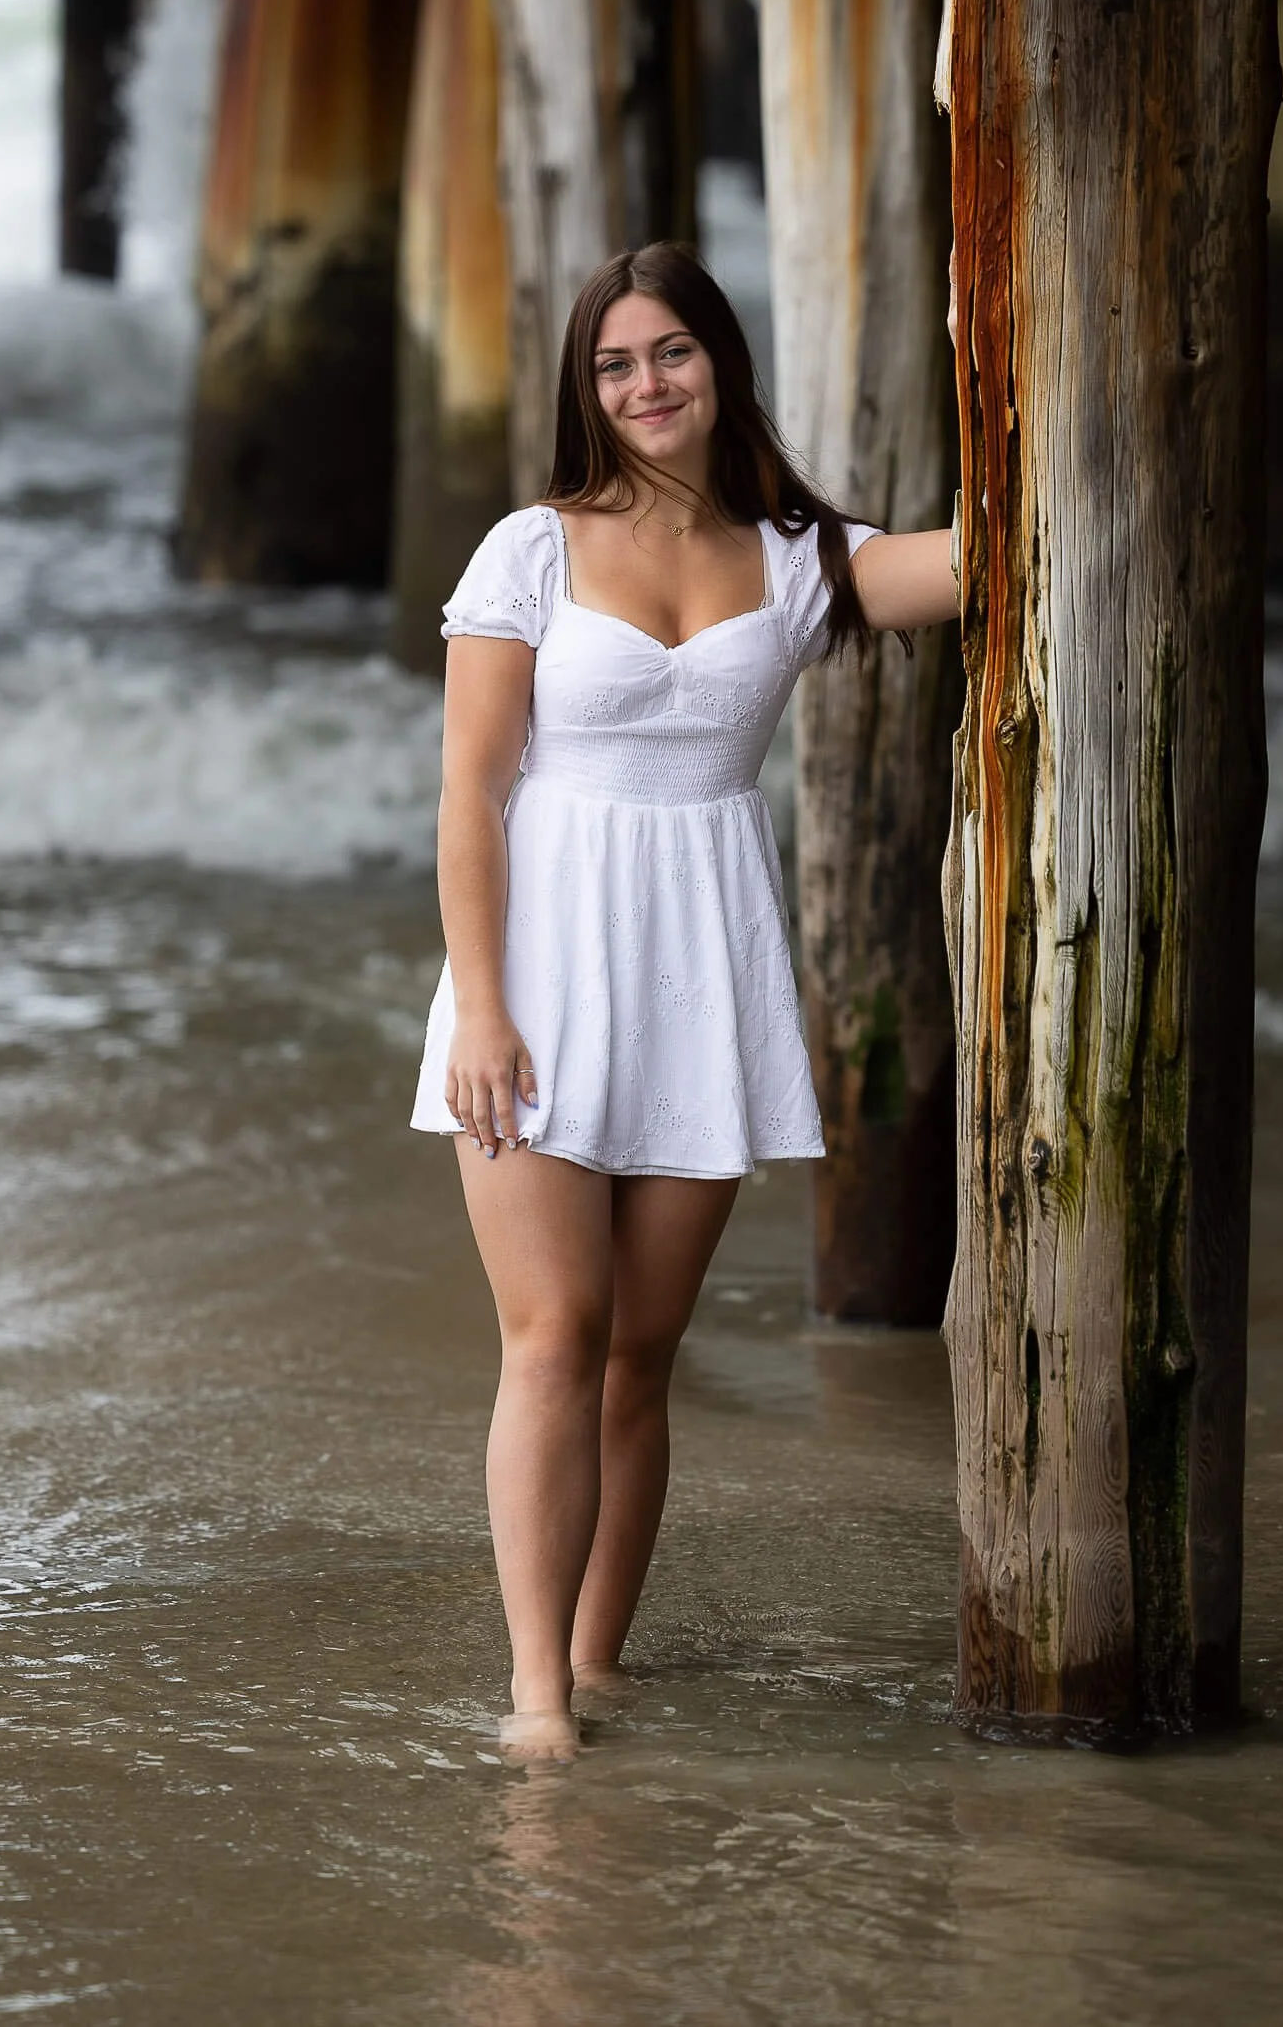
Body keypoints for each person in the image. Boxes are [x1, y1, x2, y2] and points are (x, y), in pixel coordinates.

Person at [411, 242, 960, 1758]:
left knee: (641, 1354)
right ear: (587, 389)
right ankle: (535, 1693)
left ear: (720, 363)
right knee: (554, 1332)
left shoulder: (798, 558)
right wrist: (480, 1008)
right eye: (614, 363)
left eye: (671, 354)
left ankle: (600, 1662)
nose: (645, 385)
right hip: (535, 971)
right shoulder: (528, 550)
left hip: (699, 969)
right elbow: (467, 797)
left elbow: (985, 555)